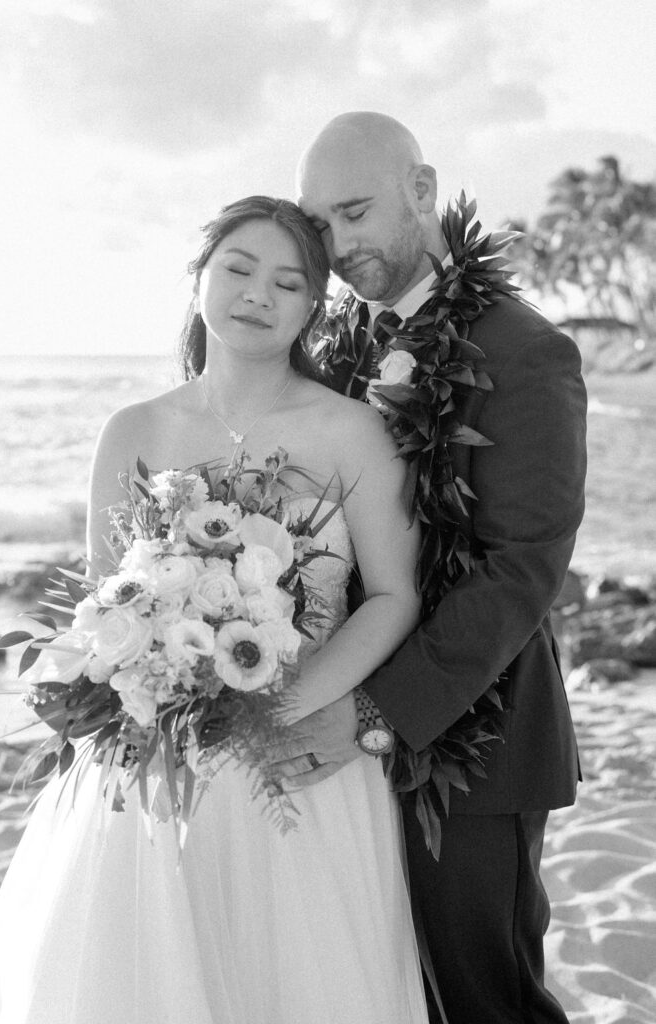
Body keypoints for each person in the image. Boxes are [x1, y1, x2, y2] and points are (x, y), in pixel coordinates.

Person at [0, 196, 430, 1024]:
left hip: (299, 752)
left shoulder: (351, 431)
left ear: (310, 308)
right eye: (238, 268)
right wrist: (129, 683)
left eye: (287, 282)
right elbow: (104, 598)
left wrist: (293, 703)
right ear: (198, 279)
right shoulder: (132, 428)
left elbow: (396, 595)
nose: (258, 294)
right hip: (155, 751)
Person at [265, 113, 587, 1024]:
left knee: (483, 997)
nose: (337, 245)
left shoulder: (527, 352)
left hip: (473, 742)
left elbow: (520, 570)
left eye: (356, 211)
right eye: (318, 225)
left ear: (421, 189)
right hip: (342, 724)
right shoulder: (333, 348)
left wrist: (368, 716)